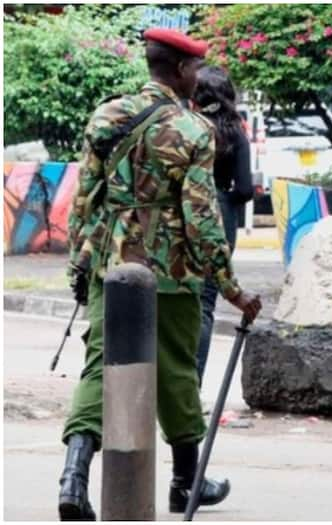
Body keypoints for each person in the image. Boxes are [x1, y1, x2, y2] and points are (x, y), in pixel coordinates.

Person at [59, 28, 262, 520]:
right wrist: (232, 289)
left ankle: (74, 475)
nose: (198, 77)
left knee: (100, 365)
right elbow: (202, 219)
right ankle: (184, 482)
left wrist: (80, 262)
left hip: (114, 263)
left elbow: (84, 199)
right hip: (172, 271)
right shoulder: (193, 131)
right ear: (178, 70)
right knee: (175, 370)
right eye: (194, 69)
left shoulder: (107, 115)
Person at [192, 65, 256, 385]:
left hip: (182, 217)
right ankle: (193, 386)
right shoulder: (234, 130)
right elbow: (245, 189)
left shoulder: (186, 127)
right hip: (223, 215)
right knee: (205, 304)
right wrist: (225, 199)